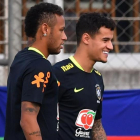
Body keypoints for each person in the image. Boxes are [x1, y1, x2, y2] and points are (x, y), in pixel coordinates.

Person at [4, 2, 67, 140]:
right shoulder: (39, 65)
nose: (65, 37)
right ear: (45, 28)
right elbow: (28, 121)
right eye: (61, 30)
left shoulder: (21, 58)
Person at [53, 12, 115, 140]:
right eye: (105, 40)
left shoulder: (98, 78)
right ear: (86, 38)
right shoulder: (58, 73)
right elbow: (33, 117)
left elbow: (96, 125)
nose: (110, 46)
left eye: (111, 41)